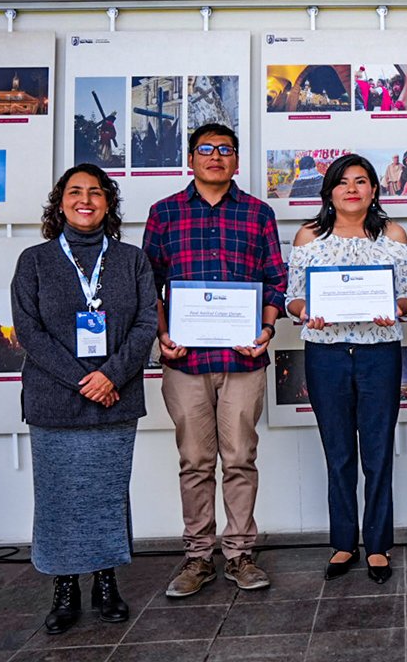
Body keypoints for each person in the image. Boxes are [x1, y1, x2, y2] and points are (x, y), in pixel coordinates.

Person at [143, 123, 287, 596]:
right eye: (206, 149)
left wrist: (266, 331)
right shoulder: (163, 214)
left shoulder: (258, 213)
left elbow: (275, 282)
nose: (215, 157)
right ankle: (197, 556)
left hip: (244, 359)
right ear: (191, 159)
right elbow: (151, 286)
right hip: (184, 362)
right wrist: (163, 334)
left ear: (236, 161)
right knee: (195, 461)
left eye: (225, 150)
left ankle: (241, 553)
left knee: (241, 457)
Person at [12, 163, 157, 634]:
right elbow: (28, 331)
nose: (86, 200)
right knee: (57, 498)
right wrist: (83, 380)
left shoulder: (132, 259)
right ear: (60, 203)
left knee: (106, 495)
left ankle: (107, 582)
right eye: (75, 192)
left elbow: (145, 326)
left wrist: (109, 375)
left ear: (108, 203)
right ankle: (65, 585)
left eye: (96, 192)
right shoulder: (34, 260)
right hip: (55, 401)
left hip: (115, 398)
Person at [284, 154, 407, 585]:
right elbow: (292, 299)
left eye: (362, 181)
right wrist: (308, 312)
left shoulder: (393, 234)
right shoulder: (308, 236)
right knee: (338, 453)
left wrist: (395, 308)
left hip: (379, 351)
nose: (352, 188)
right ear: (330, 192)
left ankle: (377, 545)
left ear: (375, 190)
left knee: (377, 454)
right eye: (343, 182)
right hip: (327, 352)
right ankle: (344, 542)